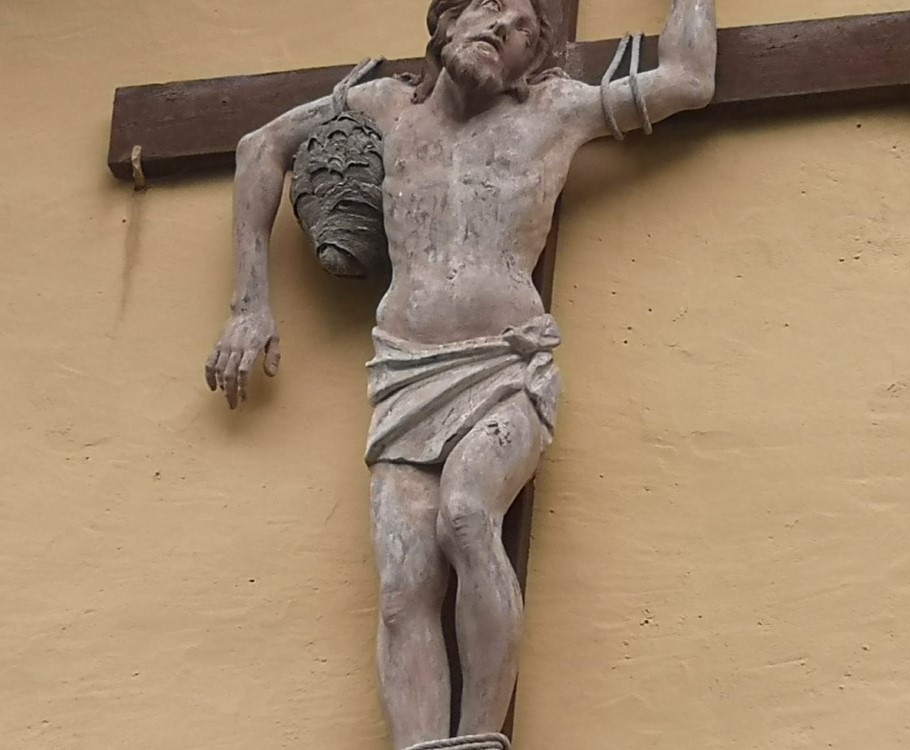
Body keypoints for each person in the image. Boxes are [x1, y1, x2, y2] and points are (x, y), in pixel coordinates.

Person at [204, 1, 716, 747]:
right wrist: (250, 305)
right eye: (486, 7)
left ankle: (478, 738)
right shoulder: (383, 107)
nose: (501, 25)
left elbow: (687, 80)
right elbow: (260, 146)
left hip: (504, 365)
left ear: (530, 60)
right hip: (404, 370)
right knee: (401, 583)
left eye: (522, 26)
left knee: (468, 514)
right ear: (444, 26)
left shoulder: (555, 112)